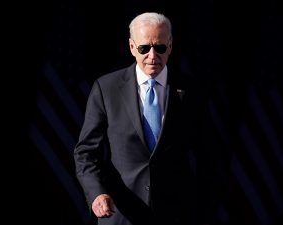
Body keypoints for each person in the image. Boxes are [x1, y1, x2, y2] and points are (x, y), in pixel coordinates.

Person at [74, 12, 212, 225]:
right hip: (121, 214)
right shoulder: (107, 88)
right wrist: (96, 194)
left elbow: (208, 154)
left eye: (160, 48)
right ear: (131, 47)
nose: (153, 56)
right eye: (144, 48)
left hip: (175, 215)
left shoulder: (191, 92)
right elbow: (86, 152)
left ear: (171, 46)